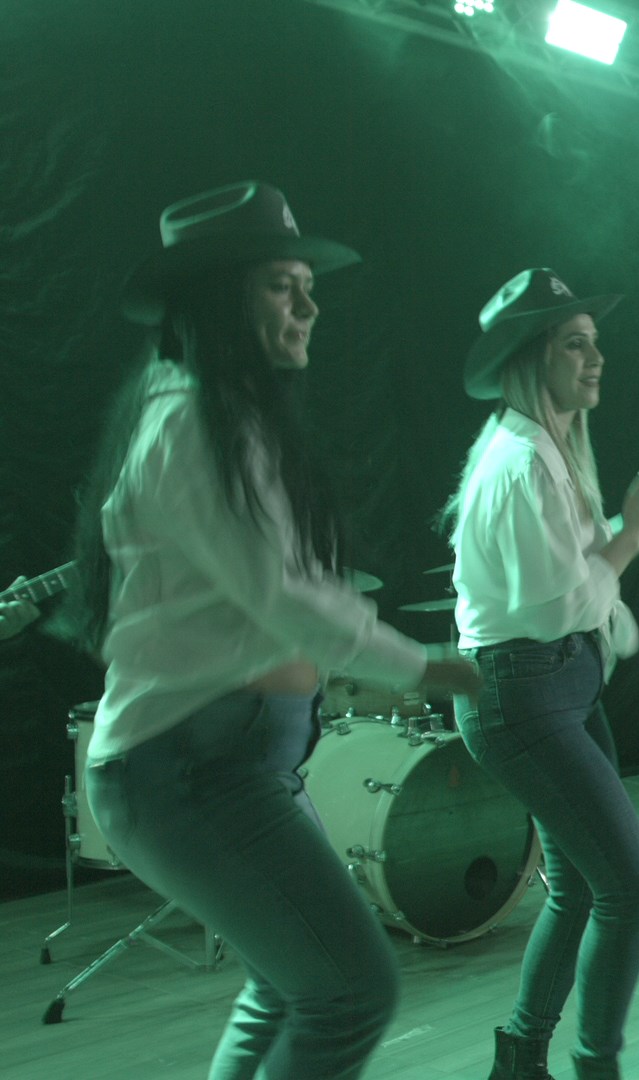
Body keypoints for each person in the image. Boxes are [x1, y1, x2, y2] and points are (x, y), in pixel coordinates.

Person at [66, 181, 481, 1080]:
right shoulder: (191, 424)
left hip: (229, 766)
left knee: (292, 989)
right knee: (352, 993)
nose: (309, 306)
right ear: (219, 300)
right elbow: (285, 596)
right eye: (281, 287)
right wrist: (426, 667)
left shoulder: (216, 416)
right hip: (191, 772)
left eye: (308, 287)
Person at [444, 268, 639, 1080]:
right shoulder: (520, 460)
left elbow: (563, 580)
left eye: (595, 342)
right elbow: (559, 605)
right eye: (575, 345)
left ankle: (520, 1059)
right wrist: (635, 531)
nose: (596, 358)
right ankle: (592, 1067)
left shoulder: (546, 449)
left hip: (557, 681)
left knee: (582, 887)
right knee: (630, 890)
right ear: (531, 358)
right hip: (524, 691)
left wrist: (614, 532)